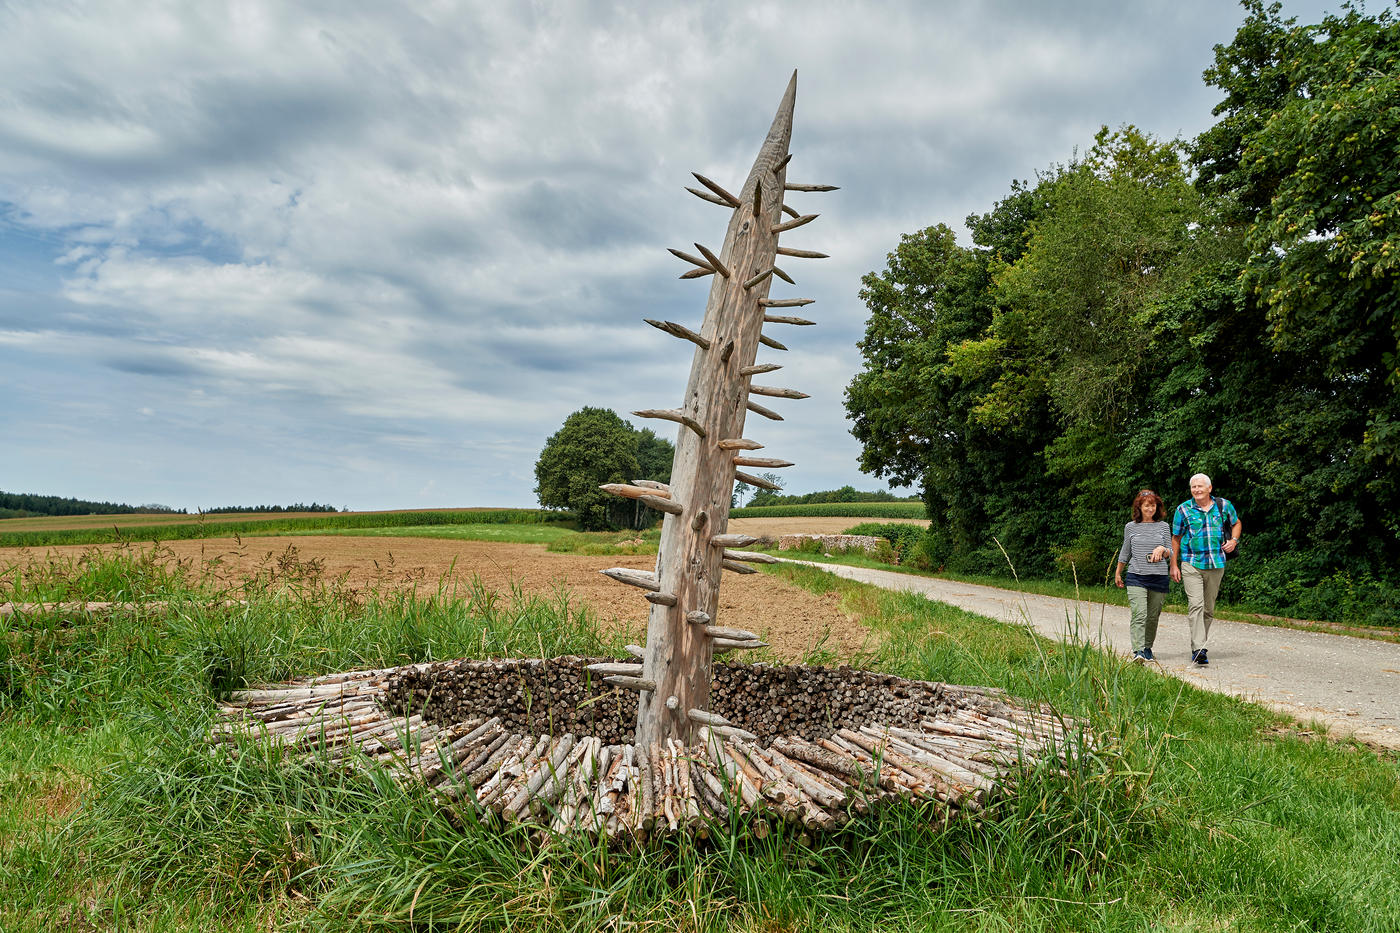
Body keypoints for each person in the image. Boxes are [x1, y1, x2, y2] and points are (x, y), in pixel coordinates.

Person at [1170, 473, 1242, 665]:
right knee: (1196, 605)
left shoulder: (1223, 506)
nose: (1197, 490)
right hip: (1191, 562)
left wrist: (1234, 541)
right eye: (1193, 487)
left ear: (1209, 488)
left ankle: (1200, 644)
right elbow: (1176, 538)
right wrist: (1174, 564)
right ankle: (1199, 649)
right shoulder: (1183, 509)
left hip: (1216, 564)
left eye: (1200, 486)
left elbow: (1236, 523)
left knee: (1208, 609)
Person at [1114, 489, 1171, 663]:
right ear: (1139, 507)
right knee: (1139, 613)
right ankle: (1138, 651)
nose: (1150, 509)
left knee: (1152, 616)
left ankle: (1147, 648)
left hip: (1159, 576)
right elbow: (1126, 551)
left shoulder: (1163, 526)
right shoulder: (1130, 527)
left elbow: (1170, 551)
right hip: (1136, 575)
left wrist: (1163, 549)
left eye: (1153, 505)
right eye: (1146, 505)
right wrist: (1118, 572)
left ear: (1157, 507)